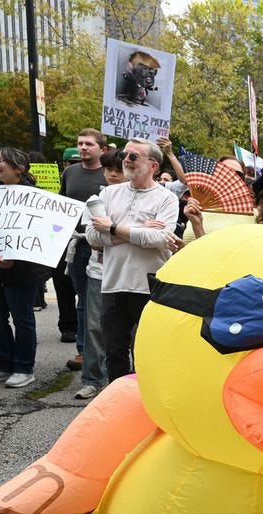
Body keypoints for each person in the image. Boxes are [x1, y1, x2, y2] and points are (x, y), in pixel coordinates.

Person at [84, 138, 180, 383]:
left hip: (150, 285)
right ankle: (117, 403)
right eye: (125, 154)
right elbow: (93, 237)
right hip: (113, 284)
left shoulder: (166, 198)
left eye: (134, 156)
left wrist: (113, 228)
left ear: (153, 166)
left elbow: (160, 238)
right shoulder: (107, 193)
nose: (126, 159)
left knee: (148, 351)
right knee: (114, 351)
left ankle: (147, 404)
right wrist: (138, 230)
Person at [72, 149, 126, 400]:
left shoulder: (141, 200)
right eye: (109, 170)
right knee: (94, 327)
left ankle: (130, 381)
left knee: (132, 330)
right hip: (98, 272)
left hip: (129, 274)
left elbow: (151, 239)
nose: (113, 175)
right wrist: (129, 233)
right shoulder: (95, 201)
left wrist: (112, 231)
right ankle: (93, 379)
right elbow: (94, 242)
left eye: (119, 170)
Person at [0, 147, 48, 388]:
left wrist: (16, 257)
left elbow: (41, 237)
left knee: (22, 318)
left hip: (23, 271)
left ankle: (24, 367)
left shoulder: (35, 197)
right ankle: (3, 363)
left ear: (19, 168)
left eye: (2, 161)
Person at [60, 128, 107, 374]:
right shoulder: (69, 173)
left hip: (105, 245)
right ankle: (83, 350)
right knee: (82, 301)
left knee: (102, 301)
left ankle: (105, 351)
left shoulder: (110, 174)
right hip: (78, 246)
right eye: (80, 144)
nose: (83, 148)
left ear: (102, 149)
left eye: (89, 144)